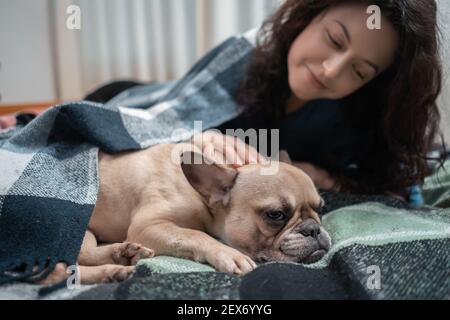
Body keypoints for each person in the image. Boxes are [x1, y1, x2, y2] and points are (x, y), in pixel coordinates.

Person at [2, 0, 444, 201]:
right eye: (333, 39)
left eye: (360, 70)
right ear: (308, 15)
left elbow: (399, 182)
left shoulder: (356, 118)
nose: (331, 70)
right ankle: (32, 114)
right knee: (63, 118)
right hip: (137, 98)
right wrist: (200, 138)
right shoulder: (248, 52)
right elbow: (160, 118)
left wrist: (325, 176)